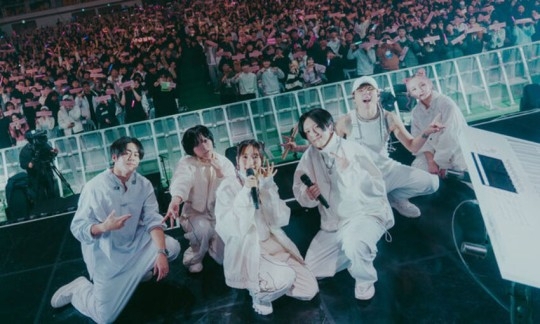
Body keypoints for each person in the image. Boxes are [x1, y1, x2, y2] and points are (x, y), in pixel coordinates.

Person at [50, 136, 180, 324]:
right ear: (114, 157)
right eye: (127, 154)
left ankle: (140, 274)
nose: (133, 158)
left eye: (136, 154)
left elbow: (153, 220)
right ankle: (79, 289)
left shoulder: (144, 184)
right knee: (105, 318)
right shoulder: (94, 187)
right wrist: (104, 227)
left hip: (135, 247)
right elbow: (77, 227)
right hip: (108, 258)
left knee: (171, 247)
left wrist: (160, 252)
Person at [292, 108, 393, 301]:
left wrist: (350, 172)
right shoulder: (309, 156)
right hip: (333, 223)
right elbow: (299, 189)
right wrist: (309, 195)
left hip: (363, 214)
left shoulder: (352, 149)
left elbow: (376, 187)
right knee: (312, 270)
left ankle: (364, 276)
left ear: (329, 126)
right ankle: (358, 252)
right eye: (308, 132)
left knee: (355, 244)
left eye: (317, 128)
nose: (313, 135)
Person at [215, 139, 318, 315]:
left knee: (310, 290)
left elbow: (280, 219)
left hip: (272, 243)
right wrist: (246, 191)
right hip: (251, 248)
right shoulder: (227, 187)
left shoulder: (264, 181)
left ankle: (273, 279)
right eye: (245, 156)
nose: (250, 161)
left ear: (261, 159)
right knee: (286, 277)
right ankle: (259, 293)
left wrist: (268, 188)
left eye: (255, 156)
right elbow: (231, 228)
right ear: (237, 161)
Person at [334, 76, 441, 218]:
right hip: (363, 178)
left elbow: (412, 147)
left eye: (370, 89)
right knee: (365, 211)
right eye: (361, 90)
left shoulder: (389, 117)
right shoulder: (345, 121)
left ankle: (395, 197)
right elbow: (330, 148)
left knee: (432, 183)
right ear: (354, 97)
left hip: (388, 170)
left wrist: (426, 132)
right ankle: (378, 199)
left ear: (377, 94)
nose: (366, 93)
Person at [163, 125, 235, 273]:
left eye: (205, 140)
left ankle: (210, 245)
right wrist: (176, 200)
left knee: (221, 258)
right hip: (195, 214)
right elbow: (182, 181)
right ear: (191, 149)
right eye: (197, 144)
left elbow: (232, 189)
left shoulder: (224, 162)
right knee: (202, 231)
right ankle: (193, 258)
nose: (203, 146)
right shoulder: (187, 162)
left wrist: (220, 173)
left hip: (219, 214)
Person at [406, 74, 468, 176]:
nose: (420, 90)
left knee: (463, 173)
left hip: (456, 150)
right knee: (418, 173)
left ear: (430, 84)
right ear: (411, 94)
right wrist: (431, 162)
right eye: (414, 89)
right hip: (431, 154)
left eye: (422, 85)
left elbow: (450, 137)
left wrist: (442, 164)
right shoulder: (416, 112)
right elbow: (420, 140)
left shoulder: (446, 104)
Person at [19, 130, 58, 203]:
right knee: (40, 195)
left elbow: (51, 153)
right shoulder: (25, 151)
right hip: (35, 176)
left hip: (47, 171)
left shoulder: (44, 145)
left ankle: (54, 205)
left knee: (51, 192)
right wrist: (31, 163)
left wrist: (54, 152)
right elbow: (23, 164)